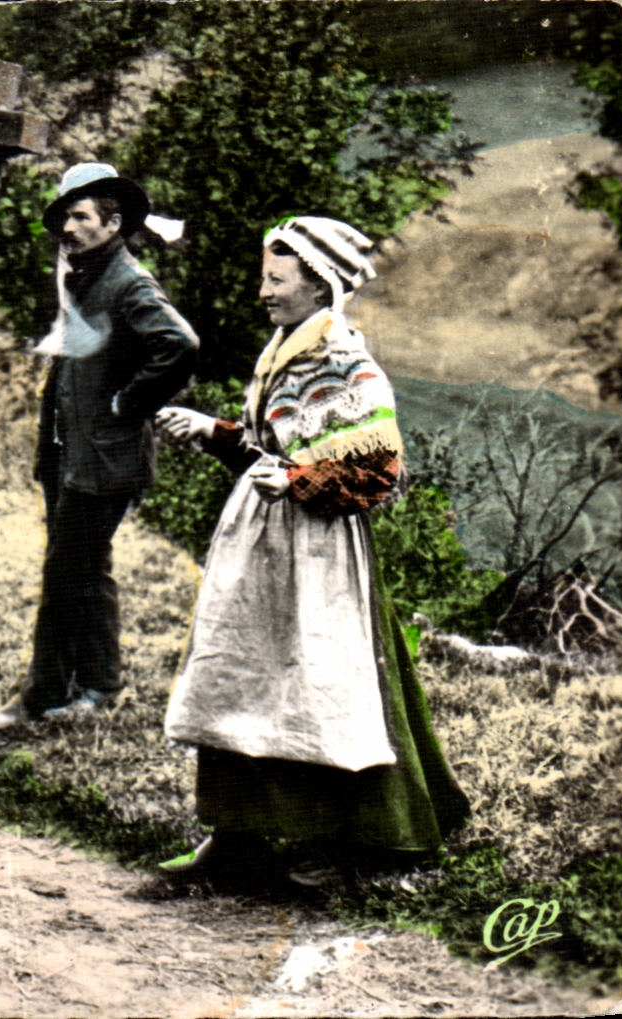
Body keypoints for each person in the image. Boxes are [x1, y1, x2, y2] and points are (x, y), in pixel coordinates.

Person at [155, 216, 469, 887]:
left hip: (318, 549)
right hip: (260, 543)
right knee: (239, 676)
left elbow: (378, 469)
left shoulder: (343, 362)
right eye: (264, 279)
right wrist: (212, 431)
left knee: (319, 685)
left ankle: (361, 843)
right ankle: (234, 836)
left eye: (277, 280)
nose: (264, 292)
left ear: (319, 285)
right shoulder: (283, 352)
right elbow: (264, 447)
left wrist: (300, 481)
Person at [0, 163, 199, 732]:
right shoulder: (83, 276)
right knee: (85, 567)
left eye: (80, 217)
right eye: (64, 219)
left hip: (104, 459)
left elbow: (179, 345)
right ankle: (100, 684)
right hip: (70, 453)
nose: (68, 229)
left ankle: (40, 697)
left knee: (64, 573)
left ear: (113, 223)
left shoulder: (129, 283)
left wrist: (128, 403)